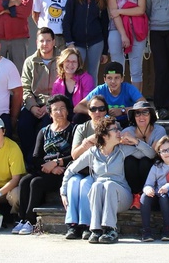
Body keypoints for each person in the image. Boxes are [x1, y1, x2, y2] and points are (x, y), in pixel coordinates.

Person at [60, 116, 155, 244]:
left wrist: (136, 141)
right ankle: (96, 230)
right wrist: (63, 191)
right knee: (96, 185)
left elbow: (151, 154)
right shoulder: (92, 153)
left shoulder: (122, 150)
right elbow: (71, 169)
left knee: (109, 184)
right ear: (104, 136)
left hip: (121, 196)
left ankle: (110, 229)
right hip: (100, 195)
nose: (119, 132)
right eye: (114, 130)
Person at [16, 95, 75, 235]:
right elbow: (36, 157)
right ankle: (22, 219)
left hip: (63, 171)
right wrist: (49, 166)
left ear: (67, 111)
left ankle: (31, 221)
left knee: (36, 182)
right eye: (55, 109)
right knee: (24, 181)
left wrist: (56, 165)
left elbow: (74, 154)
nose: (59, 112)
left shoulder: (73, 129)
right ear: (50, 113)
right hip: (45, 168)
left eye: (62, 109)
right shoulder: (44, 131)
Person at [63, 95, 109, 240]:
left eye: (101, 109)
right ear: (88, 112)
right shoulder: (82, 128)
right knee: (72, 183)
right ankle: (72, 225)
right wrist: (87, 142)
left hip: (99, 170)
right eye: (93, 109)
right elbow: (75, 155)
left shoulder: (112, 127)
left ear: (106, 111)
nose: (97, 112)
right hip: (81, 168)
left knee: (84, 185)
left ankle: (86, 225)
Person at [18, 27, 59, 167]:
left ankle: (40, 161)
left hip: (54, 105)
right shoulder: (30, 62)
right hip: (33, 103)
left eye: (48, 40)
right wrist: (32, 106)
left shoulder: (61, 60)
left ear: (54, 42)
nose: (45, 44)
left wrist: (49, 106)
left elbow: (63, 87)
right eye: (42, 41)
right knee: (23, 124)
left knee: (45, 126)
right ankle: (28, 161)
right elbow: (25, 87)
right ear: (37, 42)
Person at [107, 0, 148, 92]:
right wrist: (123, 35)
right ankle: (116, 99)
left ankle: (136, 103)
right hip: (116, 30)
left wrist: (121, 10)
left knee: (136, 69)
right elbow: (114, 14)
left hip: (136, 30)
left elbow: (141, 10)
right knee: (117, 68)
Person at [62, 0, 109, 83]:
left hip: (96, 42)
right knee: (76, 72)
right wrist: (69, 42)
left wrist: (105, 51)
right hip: (77, 43)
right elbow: (67, 20)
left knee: (93, 73)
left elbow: (105, 25)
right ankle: (77, 100)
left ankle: (92, 101)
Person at [140, 136, 169, 242]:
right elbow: (148, 184)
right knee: (144, 197)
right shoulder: (156, 167)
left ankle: (167, 230)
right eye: (163, 151)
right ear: (159, 154)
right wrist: (148, 189)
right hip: (157, 196)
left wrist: (168, 186)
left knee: (164, 197)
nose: (166, 153)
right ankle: (146, 231)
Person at [73, 61, 145, 128]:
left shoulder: (129, 88)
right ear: (105, 79)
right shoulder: (100, 89)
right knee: (78, 117)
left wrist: (123, 111)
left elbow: (145, 106)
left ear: (122, 79)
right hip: (104, 123)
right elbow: (77, 108)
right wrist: (96, 112)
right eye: (109, 78)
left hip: (126, 122)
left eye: (116, 78)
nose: (113, 81)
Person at [124, 101, 167, 209]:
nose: (141, 116)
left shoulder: (159, 130)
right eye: (137, 113)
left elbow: (152, 155)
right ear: (133, 117)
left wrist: (136, 142)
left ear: (151, 115)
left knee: (145, 161)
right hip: (132, 169)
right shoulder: (127, 131)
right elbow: (124, 153)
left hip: (153, 167)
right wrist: (144, 150)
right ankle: (136, 195)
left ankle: (146, 195)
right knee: (130, 160)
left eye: (145, 112)